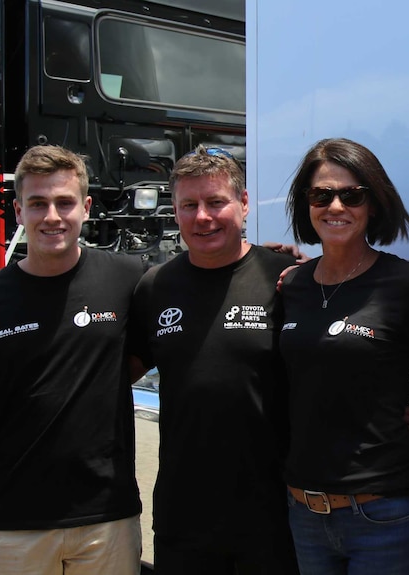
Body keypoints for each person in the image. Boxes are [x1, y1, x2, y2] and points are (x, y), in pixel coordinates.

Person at [0, 145, 143, 575]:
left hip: (107, 520)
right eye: (37, 203)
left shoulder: (128, 280)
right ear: (18, 211)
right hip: (14, 526)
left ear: (85, 208)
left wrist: (270, 265)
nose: (52, 216)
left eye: (64, 202)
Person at [127, 145, 300, 574]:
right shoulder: (155, 287)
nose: (202, 217)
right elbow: (113, 376)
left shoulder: (286, 279)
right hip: (184, 514)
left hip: (273, 514)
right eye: (189, 205)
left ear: (243, 204)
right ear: (175, 210)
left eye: (216, 202)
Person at [278, 137, 409, 575]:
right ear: (306, 205)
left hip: (385, 516)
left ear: (374, 203)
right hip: (305, 513)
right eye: (321, 195)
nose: (335, 206)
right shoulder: (290, 285)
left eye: (351, 194)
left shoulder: (404, 284)